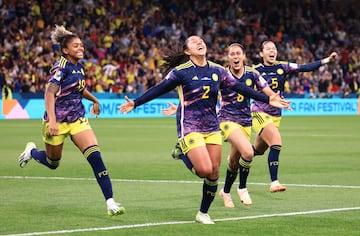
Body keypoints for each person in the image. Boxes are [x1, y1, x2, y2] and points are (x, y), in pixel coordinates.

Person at [119, 35, 289, 224]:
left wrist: (267, 98)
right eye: (194, 42)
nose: (199, 42)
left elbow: (239, 87)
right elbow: (159, 89)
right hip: (190, 126)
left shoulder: (218, 70)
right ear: (187, 51)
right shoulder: (180, 72)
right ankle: (182, 151)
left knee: (214, 173)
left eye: (201, 40)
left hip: (212, 126)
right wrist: (135, 102)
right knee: (204, 170)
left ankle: (203, 213)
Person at [18, 25, 125, 217]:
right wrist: (52, 121)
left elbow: (78, 89)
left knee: (95, 156)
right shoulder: (61, 68)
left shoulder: (79, 67)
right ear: (65, 50)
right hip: (57, 121)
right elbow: (49, 93)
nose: (81, 48)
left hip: (77, 119)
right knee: (53, 163)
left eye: (82, 46)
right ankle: (32, 152)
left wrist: (94, 99)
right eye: (76, 46)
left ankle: (110, 202)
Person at [163, 43, 284, 208]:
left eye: (238, 53)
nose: (235, 56)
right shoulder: (220, 74)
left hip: (245, 122)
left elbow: (266, 89)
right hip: (226, 120)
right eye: (232, 54)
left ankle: (225, 192)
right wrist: (179, 107)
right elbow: (199, 95)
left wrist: (273, 98)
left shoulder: (252, 73)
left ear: (243, 56)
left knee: (234, 162)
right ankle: (242, 188)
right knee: (248, 152)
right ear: (228, 58)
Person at [251, 40, 338, 192]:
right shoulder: (254, 71)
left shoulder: (282, 66)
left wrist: (327, 60)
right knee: (276, 143)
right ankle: (274, 182)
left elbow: (305, 68)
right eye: (268, 49)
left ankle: (236, 158)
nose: (272, 51)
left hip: (276, 115)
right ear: (261, 53)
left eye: (274, 48)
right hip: (259, 112)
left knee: (256, 151)